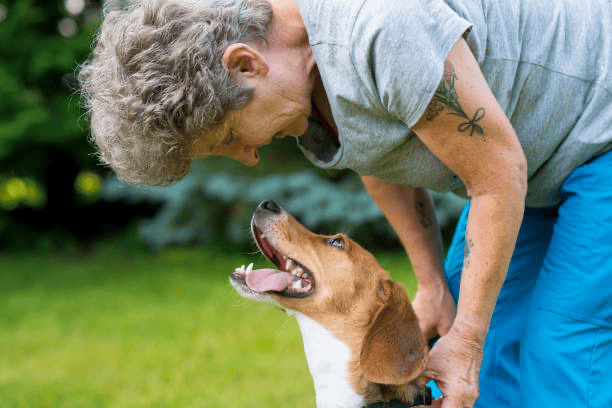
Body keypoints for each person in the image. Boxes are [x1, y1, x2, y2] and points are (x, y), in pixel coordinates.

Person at [78, 0, 612, 406]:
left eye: (229, 137)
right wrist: (432, 285)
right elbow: (382, 157)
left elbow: (497, 175)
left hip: (598, 138)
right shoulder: (305, 85)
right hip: (536, 164)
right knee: (483, 355)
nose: (246, 157)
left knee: (562, 348)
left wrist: (467, 337)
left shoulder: (379, 30)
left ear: (245, 64)